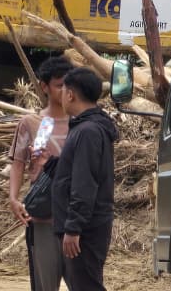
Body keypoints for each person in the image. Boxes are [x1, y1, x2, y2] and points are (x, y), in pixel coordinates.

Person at [8, 56, 73, 291]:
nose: (65, 90)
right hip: (43, 216)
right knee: (45, 284)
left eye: (68, 84)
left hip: (75, 215)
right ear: (44, 87)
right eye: (59, 85)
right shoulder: (32, 123)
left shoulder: (81, 123)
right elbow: (18, 163)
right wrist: (14, 199)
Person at [52, 67, 119, 291]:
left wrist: (74, 228)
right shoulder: (86, 128)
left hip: (86, 229)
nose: (61, 95)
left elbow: (84, 182)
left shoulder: (88, 131)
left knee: (87, 285)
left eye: (63, 90)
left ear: (70, 94)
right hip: (85, 225)